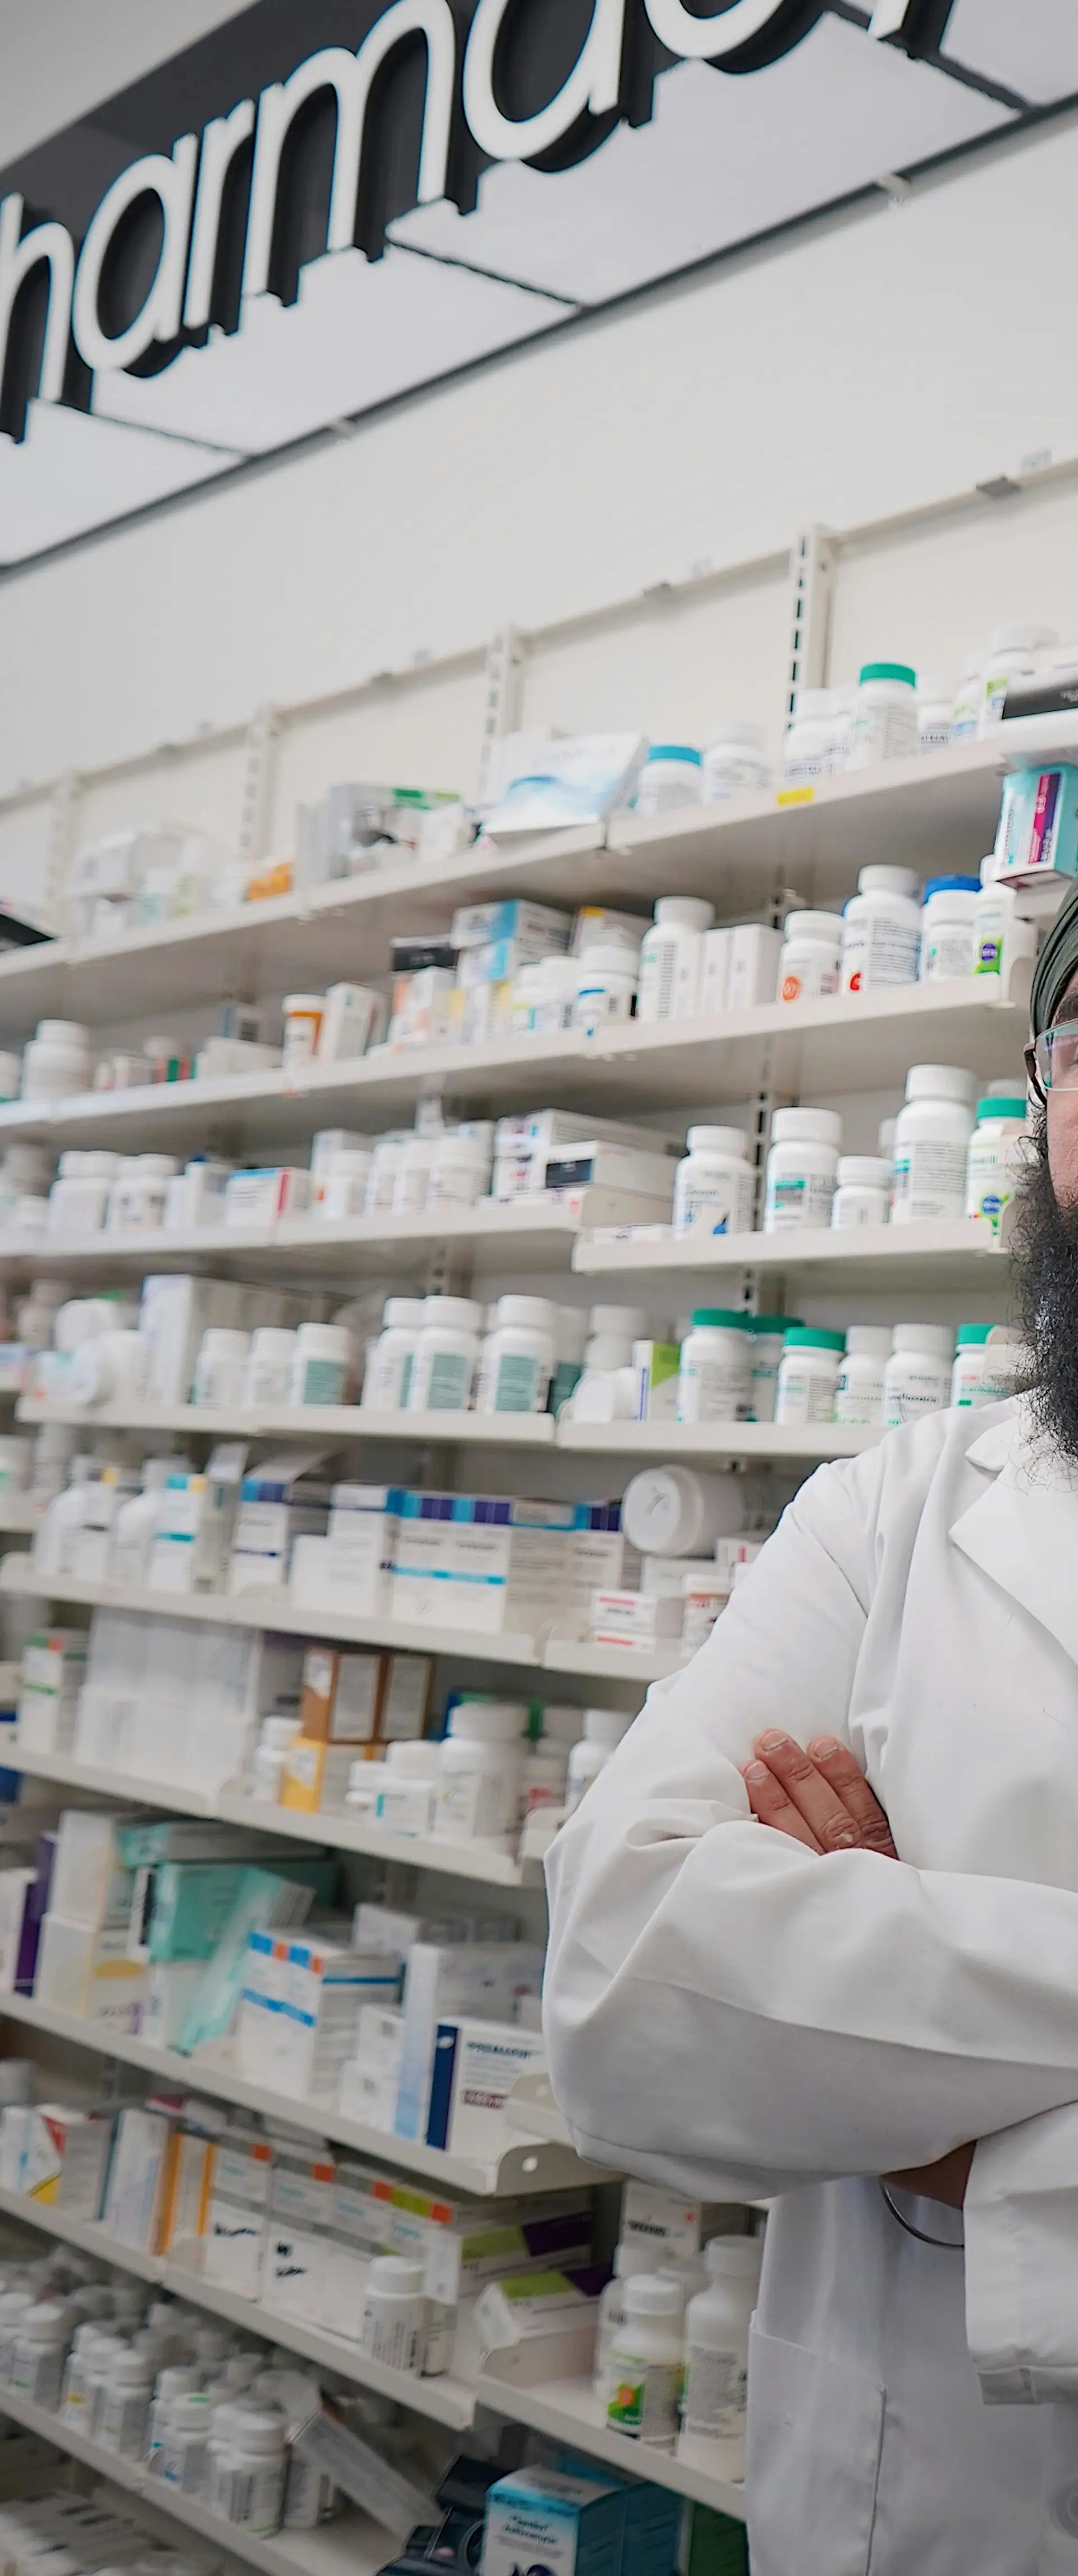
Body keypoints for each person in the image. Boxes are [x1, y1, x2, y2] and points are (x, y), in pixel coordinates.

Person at [543, 881, 1078, 2576]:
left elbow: (749, 2000)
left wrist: (923, 2092)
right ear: (1043, 1111)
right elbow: (622, 1987)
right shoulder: (891, 1510)